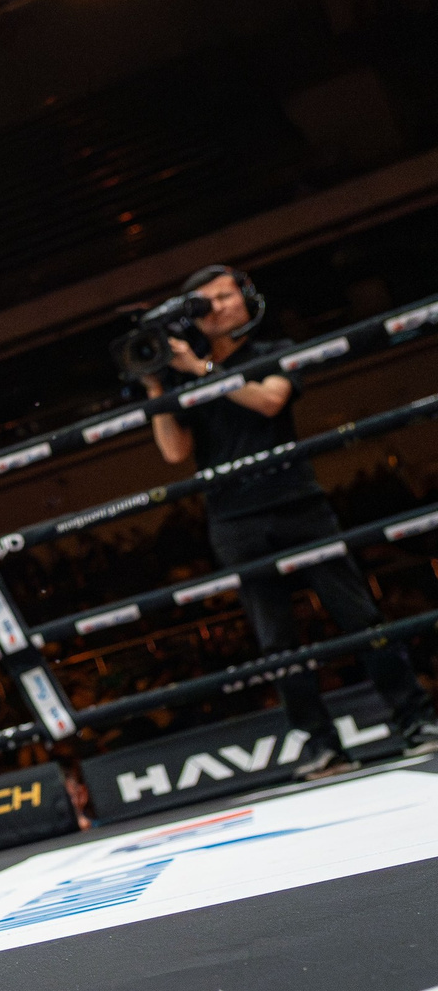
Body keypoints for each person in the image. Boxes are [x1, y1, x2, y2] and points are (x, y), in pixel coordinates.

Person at [146, 265, 437, 776]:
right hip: (233, 517)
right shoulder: (183, 376)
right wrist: (155, 387)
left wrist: (201, 373)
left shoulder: (271, 352)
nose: (216, 308)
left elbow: (269, 401)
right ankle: (320, 743)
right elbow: (173, 452)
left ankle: (416, 720)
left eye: (223, 296)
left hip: (296, 502)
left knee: (358, 616)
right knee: (275, 641)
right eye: (203, 303)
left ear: (245, 300)